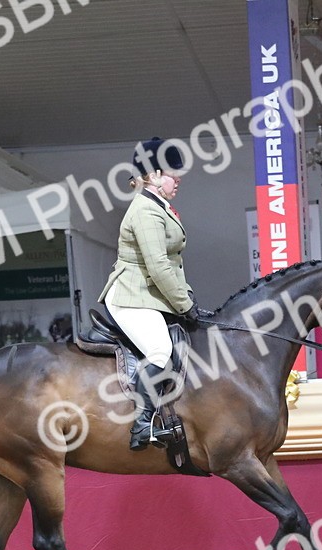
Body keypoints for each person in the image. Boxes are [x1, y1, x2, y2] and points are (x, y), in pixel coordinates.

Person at [98, 137, 214, 451]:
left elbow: (171, 266)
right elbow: (160, 266)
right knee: (160, 352)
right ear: (153, 174)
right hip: (131, 297)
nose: (179, 178)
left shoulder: (158, 206)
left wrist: (187, 300)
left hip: (149, 295)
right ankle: (141, 423)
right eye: (172, 172)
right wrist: (184, 304)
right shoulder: (145, 212)